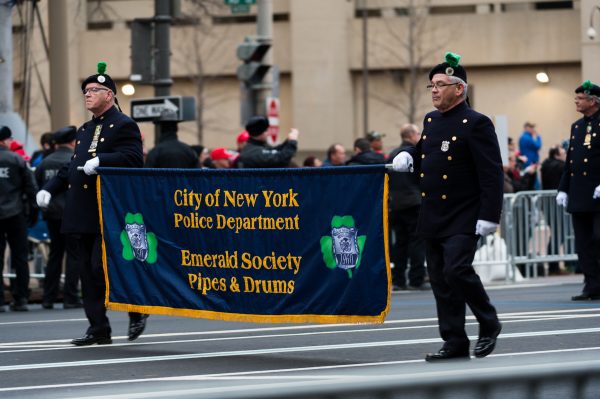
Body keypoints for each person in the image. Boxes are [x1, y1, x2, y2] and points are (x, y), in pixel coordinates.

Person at [391, 52, 503, 361]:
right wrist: (409, 154)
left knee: (457, 270)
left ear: (459, 88)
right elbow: (423, 149)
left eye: (441, 84)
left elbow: (492, 172)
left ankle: (489, 322)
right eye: (432, 86)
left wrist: (490, 215)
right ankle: (454, 341)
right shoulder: (432, 119)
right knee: (440, 280)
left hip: (465, 213)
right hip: (434, 213)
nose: (435, 90)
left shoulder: (477, 123)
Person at [36, 62, 148, 345]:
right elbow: (73, 166)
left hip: (108, 209)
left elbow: (134, 159)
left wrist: (103, 162)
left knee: (105, 267)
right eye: (85, 90)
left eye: (94, 90)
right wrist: (50, 188)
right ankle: (98, 327)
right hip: (82, 209)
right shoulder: (85, 128)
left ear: (109, 94)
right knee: (86, 269)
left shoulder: (124, 124)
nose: (87, 94)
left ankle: (136, 309)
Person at [556, 80, 600, 301]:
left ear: (593, 101)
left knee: (599, 238)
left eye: (580, 98)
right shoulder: (577, 126)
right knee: (583, 243)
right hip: (580, 193)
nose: (576, 101)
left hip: (598, 194)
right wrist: (563, 189)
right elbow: (570, 162)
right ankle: (592, 286)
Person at [34, 126, 82, 309]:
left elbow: (37, 186)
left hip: (52, 214)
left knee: (55, 254)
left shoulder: (45, 163)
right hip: (72, 214)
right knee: (73, 255)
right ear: (72, 142)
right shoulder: (74, 160)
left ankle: (48, 297)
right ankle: (71, 297)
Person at [0, 126, 38, 312]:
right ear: (4, 141)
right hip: (15, 213)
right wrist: (33, 211)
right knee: (20, 256)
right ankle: (21, 297)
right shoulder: (16, 159)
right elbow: (31, 187)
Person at [387, 123, 427, 290]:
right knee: (417, 241)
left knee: (400, 243)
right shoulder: (416, 154)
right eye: (417, 133)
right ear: (411, 135)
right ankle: (416, 279)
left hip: (396, 204)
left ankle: (398, 280)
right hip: (414, 202)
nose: (419, 136)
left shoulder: (392, 155)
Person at [541, 144, 569, 275]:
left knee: (557, 234)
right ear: (557, 155)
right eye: (563, 153)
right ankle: (554, 266)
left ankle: (554, 265)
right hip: (554, 204)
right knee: (559, 234)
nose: (565, 155)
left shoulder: (546, 165)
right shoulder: (558, 166)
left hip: (549, 204)